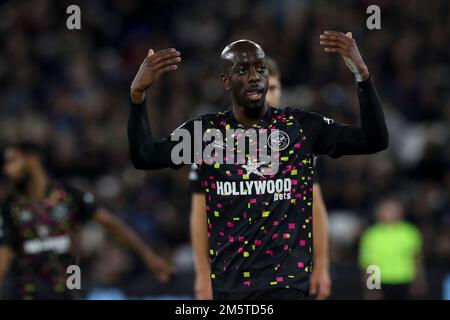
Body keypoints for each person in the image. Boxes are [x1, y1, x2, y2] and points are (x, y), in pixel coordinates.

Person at [128, 31, 388, 299]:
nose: (254, 76)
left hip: (286, 287)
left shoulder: (300, 127)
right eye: (242, 69)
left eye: (261, 69)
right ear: (226, 82)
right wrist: (137, 97)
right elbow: (145, 157)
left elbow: (374, 140)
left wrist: (362, 77)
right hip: (229, 290)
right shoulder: (206, 134)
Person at [189, 58, 331, 300]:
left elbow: (314, 207)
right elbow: (201, 211)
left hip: (285, 276)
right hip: (233, 275)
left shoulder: (296, 139)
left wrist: (321, 265)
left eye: (273, 88)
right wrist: (203, 274)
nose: (268, 94)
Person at [0, 142, 173, 299]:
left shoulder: (67, 195)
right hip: (29, 293)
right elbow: (4, 256)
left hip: (68, 292)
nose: (8, 169)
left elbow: (111, 224)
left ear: (33, 159)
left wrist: (148, 255)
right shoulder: (10, 206)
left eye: (13, 161)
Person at [359, 197, 424, 300]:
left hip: (405, 279)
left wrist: (418, 281)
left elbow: (416, 259)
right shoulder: (371, 234)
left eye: (392, 210)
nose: (389, 213)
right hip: (381, 280)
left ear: (400, 212)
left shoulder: (410, 232)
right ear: (378, 212)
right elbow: (368, 262)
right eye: (386, 209)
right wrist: (371, 287)